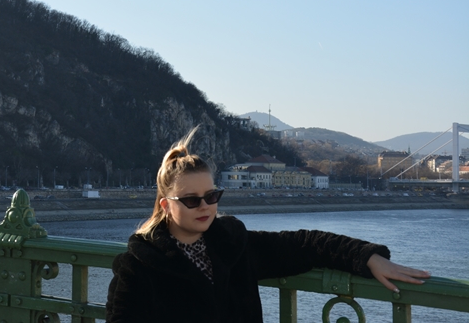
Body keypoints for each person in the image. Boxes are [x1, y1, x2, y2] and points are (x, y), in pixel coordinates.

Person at [106, 127, 430, 323]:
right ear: (166, 205)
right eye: (191, 200)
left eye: (212, 195)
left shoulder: (234, 246)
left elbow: (306, 244)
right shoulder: (138, 267)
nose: (205, 206)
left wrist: (367, 257)